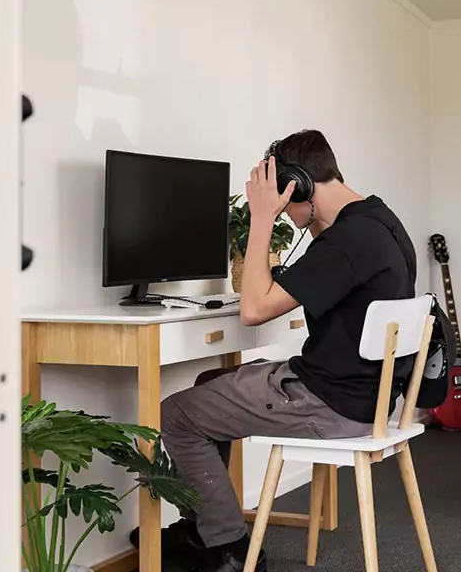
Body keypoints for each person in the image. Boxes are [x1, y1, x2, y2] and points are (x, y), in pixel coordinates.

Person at [143, 130, 417, 572]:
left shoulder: (346, 242)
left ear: (298, 185)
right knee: (209, 383)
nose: (288, 214)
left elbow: (253, 309)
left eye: (284, 199)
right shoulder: (382, 221)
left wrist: (262, 218)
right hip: (369, 399)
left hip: (331, 403)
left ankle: (229, 548)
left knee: (176, 414)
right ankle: (201, 528)